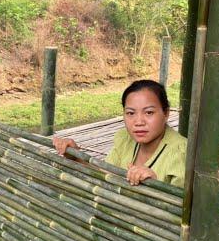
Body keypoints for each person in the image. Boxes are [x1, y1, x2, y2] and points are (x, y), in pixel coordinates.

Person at [53, 79, 187, 187]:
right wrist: (75, 156)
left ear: (166, 113)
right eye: (130, 113)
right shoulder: (125, 139)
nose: (139, 122)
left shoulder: (181, 151)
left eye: (149, 112)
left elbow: (185, 209)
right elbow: (105, 174)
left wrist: (156, 185)